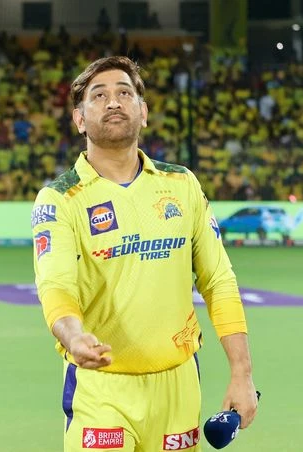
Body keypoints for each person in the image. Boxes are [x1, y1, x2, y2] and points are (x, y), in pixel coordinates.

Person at [31, 56, 258, 451]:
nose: (114, 102)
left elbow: (219, 280)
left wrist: (242, 372)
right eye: (98, 96)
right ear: (80, 119)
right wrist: (74, 337)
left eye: (125, 92)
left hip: (178, 386)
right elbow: (55, 284)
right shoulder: (59, 198)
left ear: (144, 111)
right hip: (101, 387)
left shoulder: (181, 184)